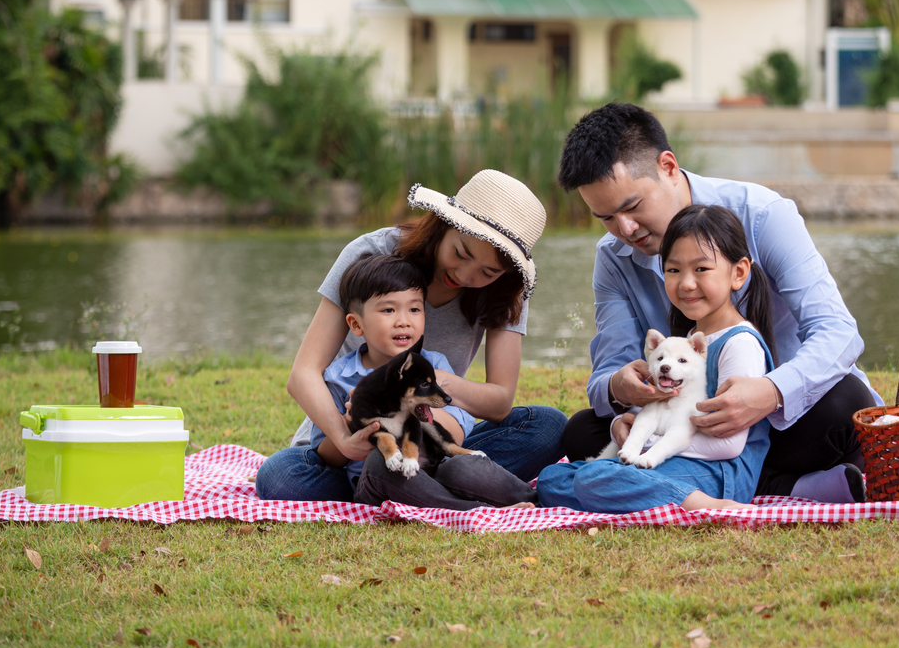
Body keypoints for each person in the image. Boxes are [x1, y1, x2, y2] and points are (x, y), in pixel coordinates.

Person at [556, 103, 881, 503]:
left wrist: (769, 392)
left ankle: (697, 483)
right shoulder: (613, 258)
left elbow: (838, 333)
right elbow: (607, 372)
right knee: (583, 430)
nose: (625, 230)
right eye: (605, 218)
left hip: (786, 423)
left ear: (668, 167)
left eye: (632, 207)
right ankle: (790, 487)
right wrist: (620, 390)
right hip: (689, 427)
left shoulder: (763, 215)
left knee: (845, 402)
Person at [255, 170, 566, 502]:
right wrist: (346, 439)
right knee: (280, 477)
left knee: (547, 425)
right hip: (350, 443)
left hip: (434, 432)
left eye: (487, 272)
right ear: (444, 224)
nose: (464, 275)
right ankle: (441, 489)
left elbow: (500, 401)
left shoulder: (506, 290)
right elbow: (303, 373)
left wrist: (424, 388)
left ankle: (408, 484)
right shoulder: (371, 255)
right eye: (460, 254)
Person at [538, 204, 778, 512]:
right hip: (669, 462)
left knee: (593, 478)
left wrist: (649, 444)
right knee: (551, 478)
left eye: (701, 269)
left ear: (738, 272)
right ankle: (633, 491)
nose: (686, 283)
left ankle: (704, 505)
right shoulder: (686, 343)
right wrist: (635, 432)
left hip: (719, 473)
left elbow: (729, 444)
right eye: (674, 270)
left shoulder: (739, 343)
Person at [300, 253, 536, 509]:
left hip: (431, 465)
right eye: (388, 310)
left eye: (414, 309)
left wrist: (411, 408)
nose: (404, 321)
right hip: (376, 479)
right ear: (356, 324)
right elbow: (325, 455)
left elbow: (453, 436)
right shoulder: (338, 376)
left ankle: (532, 499)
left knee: (464, 465)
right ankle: (473, 511)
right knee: (380, 463)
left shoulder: (434, 367)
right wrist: (354, 427)